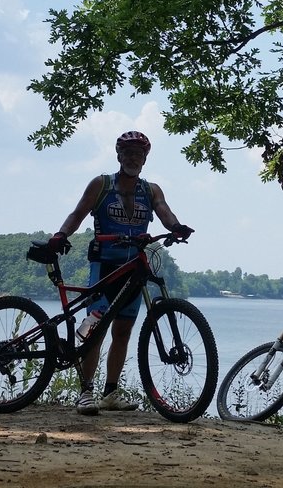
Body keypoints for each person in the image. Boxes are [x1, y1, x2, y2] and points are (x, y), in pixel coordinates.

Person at [47, 130, 194, 415]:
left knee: (123, 332)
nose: (133, 158)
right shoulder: (101, 184)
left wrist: (177, 227)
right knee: (95, 328)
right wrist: (60, 234)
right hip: (105, 266)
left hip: (134, 269)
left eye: (138, 154)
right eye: (128, 153)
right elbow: (78, 213)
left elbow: (164, 211)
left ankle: (110, 393)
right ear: (119, 156)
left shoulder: (150, 190)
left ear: (145, 158)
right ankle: (86, 392)